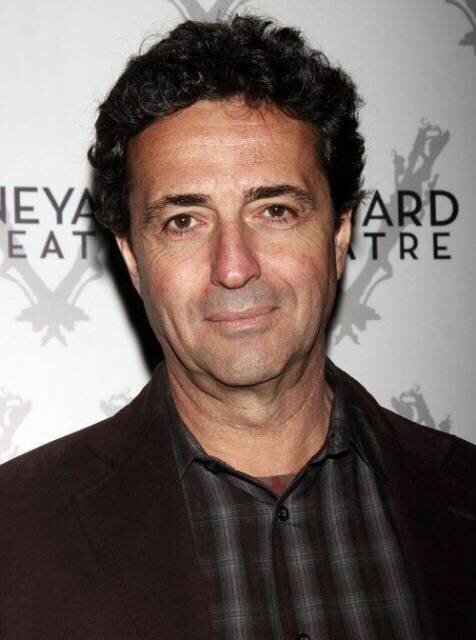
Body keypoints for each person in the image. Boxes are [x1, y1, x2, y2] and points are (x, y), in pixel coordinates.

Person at [0, 15, 474, 640]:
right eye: (184, 221)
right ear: (134, 259)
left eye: (274, 211)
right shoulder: (17, 534)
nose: (233, 267)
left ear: (339, 234)